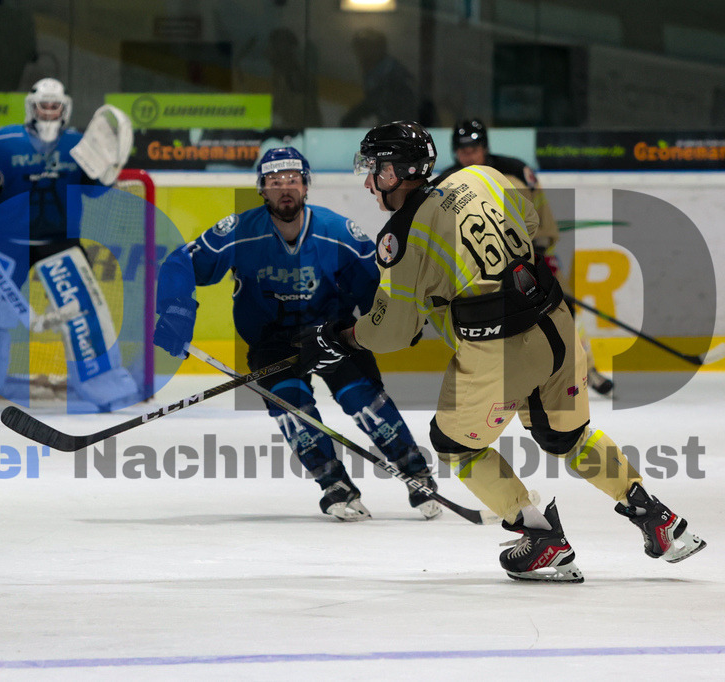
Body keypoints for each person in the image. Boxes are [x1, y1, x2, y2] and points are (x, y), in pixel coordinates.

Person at [296, 121, 706, 580]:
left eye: (375, 170)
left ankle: (540, 537)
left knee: (453, 444)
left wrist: (342, 337)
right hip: (557, 326)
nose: (369, 181)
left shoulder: (401, 236)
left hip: (500, 351)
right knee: (569, 437)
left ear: (397, 172)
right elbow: (529, 225)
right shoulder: (481, 178)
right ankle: (658, 519)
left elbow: (391, 332)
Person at [154, 147, 441, 522]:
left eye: (292, 180)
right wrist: (175, 311)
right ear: (262, 189)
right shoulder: (239, 232)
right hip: (272, 343)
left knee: (364, 399)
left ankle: (416, 472)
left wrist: (398, 321)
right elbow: (182, 262)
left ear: (306, 185)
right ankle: (334, 484)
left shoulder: (337, 231)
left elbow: (374, 286)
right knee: (294, 409)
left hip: (331, 336)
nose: (284, 188)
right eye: (275, 182)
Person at [0, 77, 138, 412]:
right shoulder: (1, 142)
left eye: (55, 106)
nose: (49, 112)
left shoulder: (79, 146)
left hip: (59, 243)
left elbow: (92, 190)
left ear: (65, 109)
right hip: (6, 243)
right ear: (31, 107)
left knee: (86, 313)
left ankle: (103, 384)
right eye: (43, 106)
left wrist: (108, 174)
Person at [437, 119, 614, 396]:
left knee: (562, 308)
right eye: (462, 150)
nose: (467, 155)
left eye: (473, 148)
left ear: (484, 147)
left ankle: (586, 369)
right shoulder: (447, 183)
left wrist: (535, 255)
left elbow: (541, 217)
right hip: (479, 267)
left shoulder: (515, 172)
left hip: (530, 258)